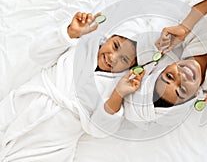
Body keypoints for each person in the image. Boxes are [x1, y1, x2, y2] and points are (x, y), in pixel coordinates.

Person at [0, 11, 143, 161]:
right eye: (115, 46)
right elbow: (37, 54)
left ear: (131, 67)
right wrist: (69, 33)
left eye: (125, 59)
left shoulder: (116, 86)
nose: (113, 58)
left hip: (53, 142)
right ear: (109, 38)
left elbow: (97, 130)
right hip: (23, 106)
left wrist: (118, 94)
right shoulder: (81, 45)